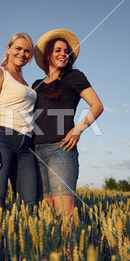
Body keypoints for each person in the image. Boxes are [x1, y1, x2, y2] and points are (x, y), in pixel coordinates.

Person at [32, 29, 103, 222]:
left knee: (64, 214)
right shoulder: (36, 84)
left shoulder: (74, 76)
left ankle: (69, 253)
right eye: (58, 50)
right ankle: (50, 253)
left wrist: (78, 129)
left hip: (60, 149)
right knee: (45, 216)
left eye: (66, 51)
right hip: (35, 152)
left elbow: (97, 106)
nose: (63, 54)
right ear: (48, 54)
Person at [0, 33, 38, 220]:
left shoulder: (26, 82)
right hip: (1, 140)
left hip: (26, 146)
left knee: (30, 205)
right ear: (8, 48)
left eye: (27, 51)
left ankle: (23, 248)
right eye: (18, 48)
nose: (22, 53)